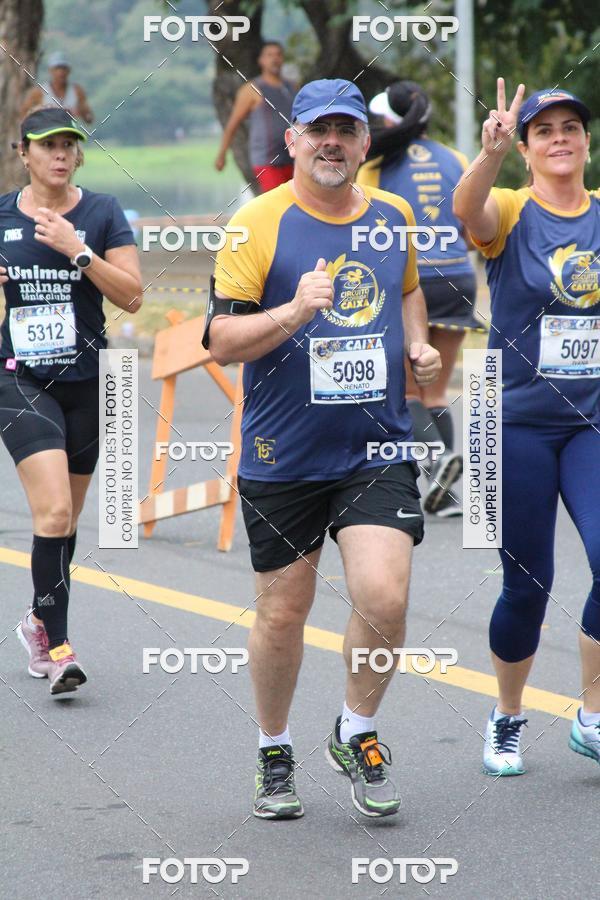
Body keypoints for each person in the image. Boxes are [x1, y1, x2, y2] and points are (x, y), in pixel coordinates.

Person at [205, 78, 441, 819]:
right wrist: (294, 309)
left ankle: (357, 728)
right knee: (283, 614)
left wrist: (419, 343)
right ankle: (275, 748)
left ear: (365, 143)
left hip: (376, 447)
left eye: (346, 130)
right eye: (318, 131)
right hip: (284, 453)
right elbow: (219, 339)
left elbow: (404, 288)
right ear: (294, 142)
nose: (332, 142)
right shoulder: (256, 224)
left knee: (386, 596)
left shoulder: (393, 216)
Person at [454, 80, 600, 775]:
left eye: (572, 127)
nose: (561, 138)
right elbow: (466, 212)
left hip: (590, 424)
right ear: (528, 148)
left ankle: (593, 714)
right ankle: (507, 716)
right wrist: (487, 154)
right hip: (509, 420)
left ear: (587, 141)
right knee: (527, 582)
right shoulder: (511, 209)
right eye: (545, 131)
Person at [0, 107, 143, 694]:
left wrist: (78, 250)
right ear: (24, 153)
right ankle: (58, 648)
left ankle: (39, 617)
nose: (60, 154)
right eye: (47, 145)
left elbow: (133, 296)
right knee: (54, 512)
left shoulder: (103, 212)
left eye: (69, 145)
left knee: (66, 519)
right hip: (20, 379)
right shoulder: (3, 215)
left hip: (88, 380)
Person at [358, 81, 486, 518]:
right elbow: (472, 231)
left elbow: (364, 230)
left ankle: (434, 467)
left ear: (391, 122)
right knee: (438, 388)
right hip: (456, 279)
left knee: (411, 386)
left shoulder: (374, 165)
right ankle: (447, 492)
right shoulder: (457, 159)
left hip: (407, 283)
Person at [214, 41, 296, 193]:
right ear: (261, 60)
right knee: (275, 205)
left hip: (293, 158)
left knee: (294, 205)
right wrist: (222, 155)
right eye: (269, 55)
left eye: (278, 54)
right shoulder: (252, 89)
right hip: (267, 160)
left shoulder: (293, 87)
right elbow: (233, 124)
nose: (274, 59)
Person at [21, 52, 94, 124]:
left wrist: (81, 113)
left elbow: (89, 118)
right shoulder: (40, 92)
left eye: (64, 68)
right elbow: (24, 114)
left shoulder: (77, 91)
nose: (61, 72)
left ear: (69, 71)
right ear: (50, 70)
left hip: (69, 132)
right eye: (57, 68)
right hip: (47, 131)